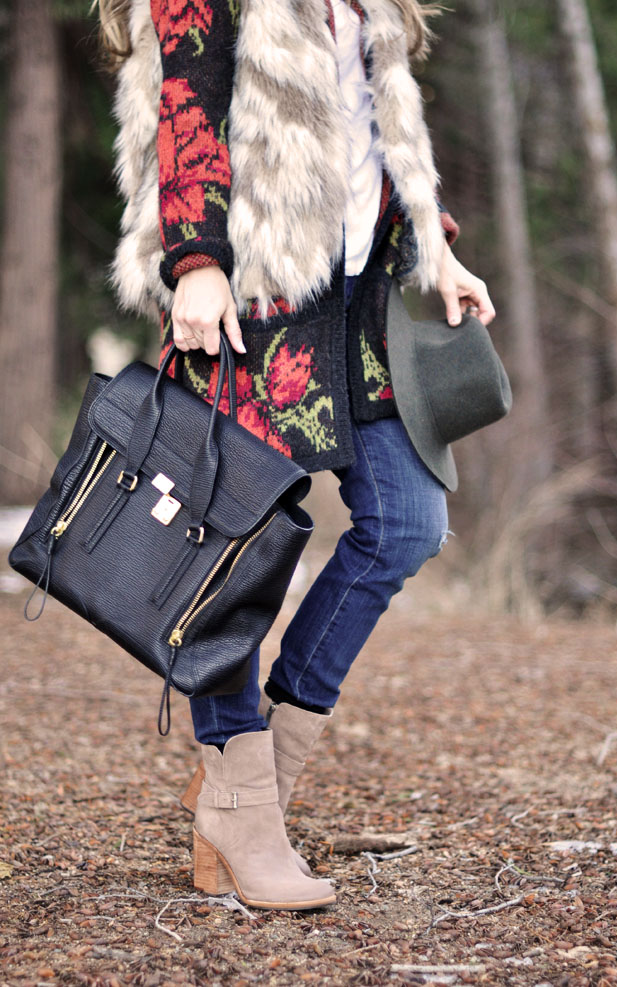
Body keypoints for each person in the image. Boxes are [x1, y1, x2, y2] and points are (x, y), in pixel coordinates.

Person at [96, 0, 495, 910]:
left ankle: (258, 770)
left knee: (406, 521)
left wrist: (436, 248)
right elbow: (185, 111)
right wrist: (194, 261)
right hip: (255, 287)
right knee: (230, 545)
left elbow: (366, 124)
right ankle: (242, 802)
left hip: (357, 300)